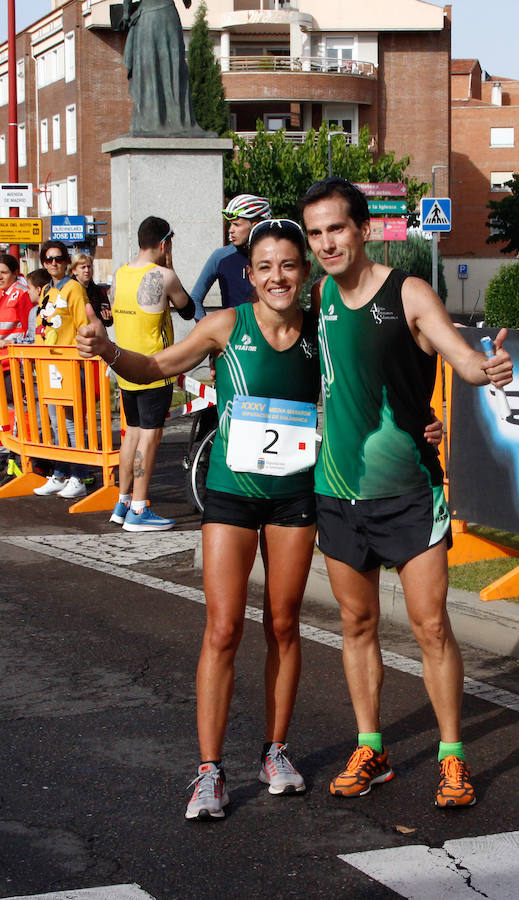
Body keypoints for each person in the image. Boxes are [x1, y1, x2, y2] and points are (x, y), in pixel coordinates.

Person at [78, 218, 320, 819]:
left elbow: (373, 382)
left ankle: (275, 751)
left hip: (294, 495)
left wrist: (425, 419)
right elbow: (157, 367)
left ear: (305, 272)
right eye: (264, 266)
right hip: (232, 495)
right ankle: (209, 771)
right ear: (250, 274)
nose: (276, 276)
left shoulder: (323, 331)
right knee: (222, 628)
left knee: (285, 624)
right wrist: (109, 348)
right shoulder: (225, 325)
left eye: (287, 265)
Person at [299, 178, 513, 808]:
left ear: (364, 229)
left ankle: (452, 757)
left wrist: (486, 369)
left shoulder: (409, 291)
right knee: (356, 622)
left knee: (429, 627)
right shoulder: (318, 298)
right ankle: (372, 747)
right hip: (338, 491)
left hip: (409, 492)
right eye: (316, 233)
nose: (327, 243)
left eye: (336, 228)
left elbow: (460, 358)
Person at [108, 215, 195, 532]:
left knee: (131, 433)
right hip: (155, 368)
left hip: (125, 367)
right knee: (150, 436)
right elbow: (187, 308)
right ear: (163, 244)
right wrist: (171, 266)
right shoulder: (163, 276)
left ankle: (124, 501)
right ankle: (141, 509)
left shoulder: (120, 273)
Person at [33, 241, 90, 500]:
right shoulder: (46, 289)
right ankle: (60, 472)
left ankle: (78, 475)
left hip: (69, 363)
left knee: (71, 422)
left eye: (57, 258)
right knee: (55, 422)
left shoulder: (74, 289)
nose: (53, 263)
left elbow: (83, 325)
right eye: (48, 259)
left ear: (66, 261)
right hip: (49, 363)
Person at [121, 0, 197, 135]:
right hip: (168, 16)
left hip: (148, 20)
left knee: (150, 71)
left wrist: (126, 15)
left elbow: (127, 6)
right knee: (174, 69)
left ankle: (150, 121)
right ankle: (178, 120)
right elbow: (187, 3)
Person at [190, 195, 272, 320]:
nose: (231, 230)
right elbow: (195, 299)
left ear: (254, 226)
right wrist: (208, 331)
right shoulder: (220, 257)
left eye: (237, 224)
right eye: (230, 224)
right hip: (233, 336)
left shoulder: (273, 255)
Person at [0, 253, 35, 406]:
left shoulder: (21, 294)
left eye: (4, 273)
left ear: (15, 273)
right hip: (3, 362)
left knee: (17, 407)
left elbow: (29, 331)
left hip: (14, 363)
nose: (0, 277)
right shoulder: (3, 293)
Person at [70, 252, 113, 327]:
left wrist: (107, 318)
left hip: (96, 335)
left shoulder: (100, 291)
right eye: (83, 267)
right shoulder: (68, 290)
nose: (87, 270)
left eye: (89, 267)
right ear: (74, 271)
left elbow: (108, 322)